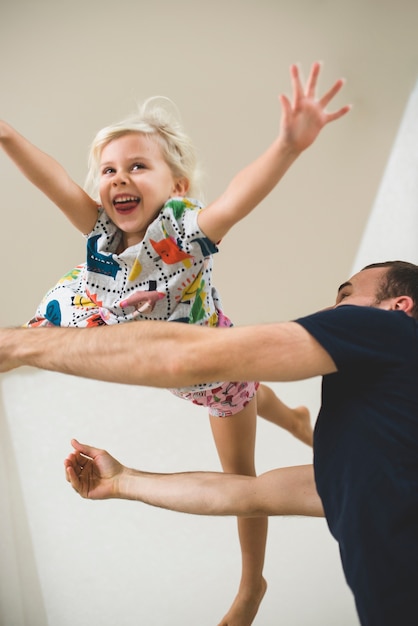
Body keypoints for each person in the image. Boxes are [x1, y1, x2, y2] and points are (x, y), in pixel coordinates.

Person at [0, 62, 349, 626]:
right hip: (149, 351)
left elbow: (238, 198)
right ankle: (295, 416)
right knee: (61, 318)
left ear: (177, 187)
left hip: (214, 368)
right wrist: (6, 134)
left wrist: (287, 146)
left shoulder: (187, 234)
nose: (119, 179)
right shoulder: (101, 236)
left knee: (243, 479)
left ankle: (251, 584)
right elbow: (53, 179)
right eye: (109, 170)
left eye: (138, 166)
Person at [1, 261, 417, 626]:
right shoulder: (369, 466)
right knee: (244, 394)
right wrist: (126, 481)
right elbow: (249, 495)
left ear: (398, 306)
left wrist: (20, 344)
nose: (330, 309)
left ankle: (292, 423)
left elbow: (188, 359)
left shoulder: (388, 327)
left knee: (237, 388)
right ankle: (293, 420)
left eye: (345, 295)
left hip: (212, 376)